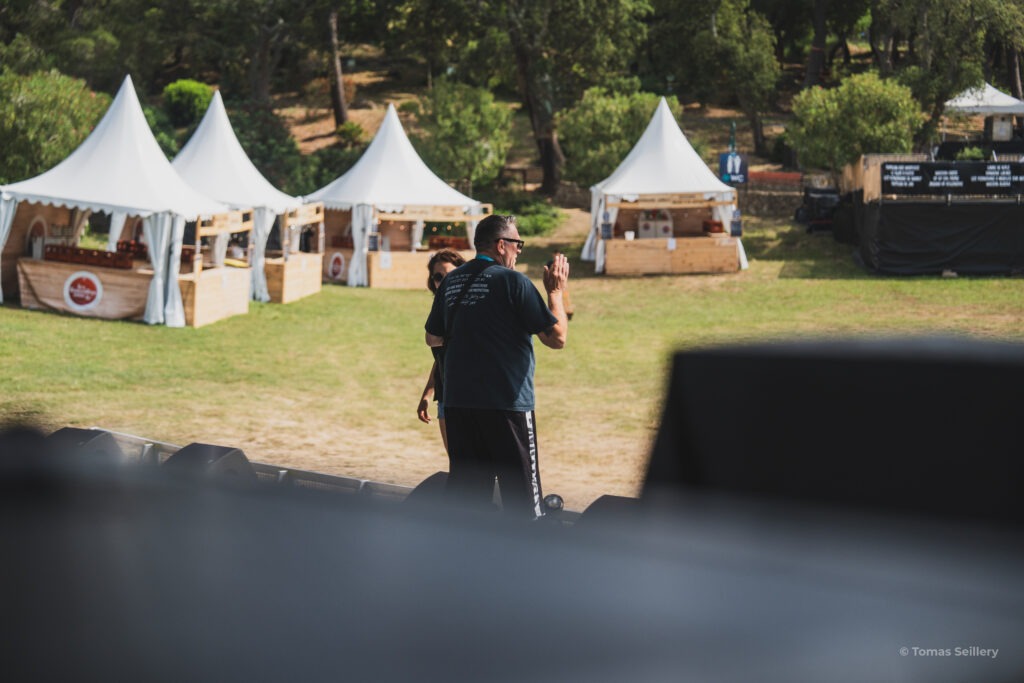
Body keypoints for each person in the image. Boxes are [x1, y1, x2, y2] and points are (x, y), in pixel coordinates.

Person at [424, 214, 569, 517]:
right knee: (522, 507)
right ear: (502, 245)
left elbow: (433, 337)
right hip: (507, 406)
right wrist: (555, 292)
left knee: (467, 505)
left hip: (459, 405)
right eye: (518, 244)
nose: (519, 251)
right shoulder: (513, 281)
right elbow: (557, 338)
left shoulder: (451, 280)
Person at [417, 248, 467, 455]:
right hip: (446, 397)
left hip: (473, 399)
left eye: (451, 276)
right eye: (439, 277)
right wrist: (428, 393)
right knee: (457, 465)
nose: (444, 282)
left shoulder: (470, 307)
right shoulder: (439, 310)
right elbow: (441, 357)